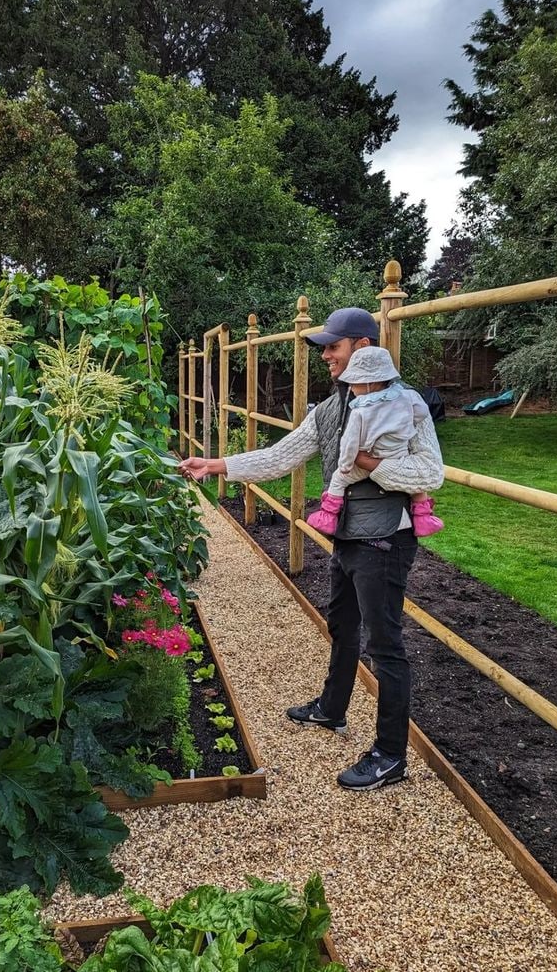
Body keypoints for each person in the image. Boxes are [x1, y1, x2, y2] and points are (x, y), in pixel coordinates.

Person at [178, 307, 444, 791]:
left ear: (362, 347)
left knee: (385, 647)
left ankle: (390, 755)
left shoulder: (407, 406)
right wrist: (215, 465)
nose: (325, 355)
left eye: (332, 346)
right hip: (346, 533)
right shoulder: (328, 409)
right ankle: (332, 709)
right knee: (340, 624)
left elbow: (430, 474)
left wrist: (373, 466)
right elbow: (281, 456)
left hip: (386, 540)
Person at [306, 346, 443, 539]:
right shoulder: (407, 397)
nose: (352, 388)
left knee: (338, 479)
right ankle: (424, 518)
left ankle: (327, 516)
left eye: (355, 383)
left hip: (369, 457)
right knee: (417, 487)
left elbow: (349, 443)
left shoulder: (361, 411)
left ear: (369, 383)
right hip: (399, 454)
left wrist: (345, 464)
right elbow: (421, 414)